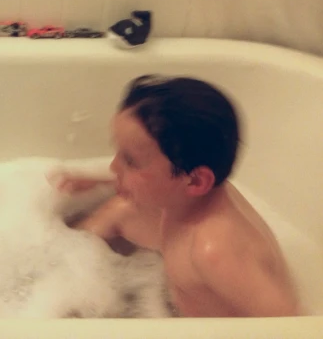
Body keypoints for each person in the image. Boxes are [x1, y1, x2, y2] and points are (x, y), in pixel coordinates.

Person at [52, 74, 300, 317]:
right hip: (172, 280)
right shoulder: (195, 195)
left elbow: (292, 323)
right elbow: (152, 178)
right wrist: (102, 181)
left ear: (195, 181)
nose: (113, 167)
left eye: (129, 160)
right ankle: (55, 266)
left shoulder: (215, 252)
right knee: (120, 209)